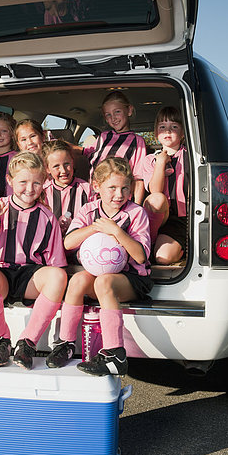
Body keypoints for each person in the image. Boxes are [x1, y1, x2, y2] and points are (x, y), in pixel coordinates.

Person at [45, 157, 153, 376]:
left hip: (131, 278)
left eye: (124, 188)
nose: (119, 194)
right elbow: (68, 242)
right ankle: (65, 343)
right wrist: (96, 228)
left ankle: (115, 354)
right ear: (97, 187)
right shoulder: (88, 210)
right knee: (77, 280)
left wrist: (116, 231)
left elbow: (141, 257)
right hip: (97, 274)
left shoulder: (135, 213)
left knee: (104, 282)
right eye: (111, 188)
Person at [0, 151, 68, 369]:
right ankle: (0, 341)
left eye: (36, 183)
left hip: (30, 276)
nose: (30, 189)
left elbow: (55, 262)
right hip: (0, 273)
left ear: (44, 183)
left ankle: (27, 342)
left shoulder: (48, 217)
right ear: (10, 181)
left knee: (58, 276)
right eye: (23, 182)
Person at [82, 91, 147, 205]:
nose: (113, 118)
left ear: (129, 110)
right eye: (108, 115)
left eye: (117, 112)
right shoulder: (103, 137)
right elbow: (86, 153)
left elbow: (138, 179)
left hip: (118, 200)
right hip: (93, 198)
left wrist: (137, 207)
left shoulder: (137, 141)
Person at [142, 106, 188, 264]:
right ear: (156, 133)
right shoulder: (149, 160)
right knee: (157, 198)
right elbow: (155, 190)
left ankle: (181, 249)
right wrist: (160, 162)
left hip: (179, 218)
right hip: (155, 218)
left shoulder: (189, 156)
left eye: (174, 127)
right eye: (162, 127)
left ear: (182, 133)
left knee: (163, 258)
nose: (168, 131)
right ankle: (149, 242)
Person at [42, 139, 94, 234]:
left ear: (72, 162)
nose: (63, 170)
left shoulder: (87, 189)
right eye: (56, 166)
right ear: (47, 169)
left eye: (66, 164)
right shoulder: (43, 192)